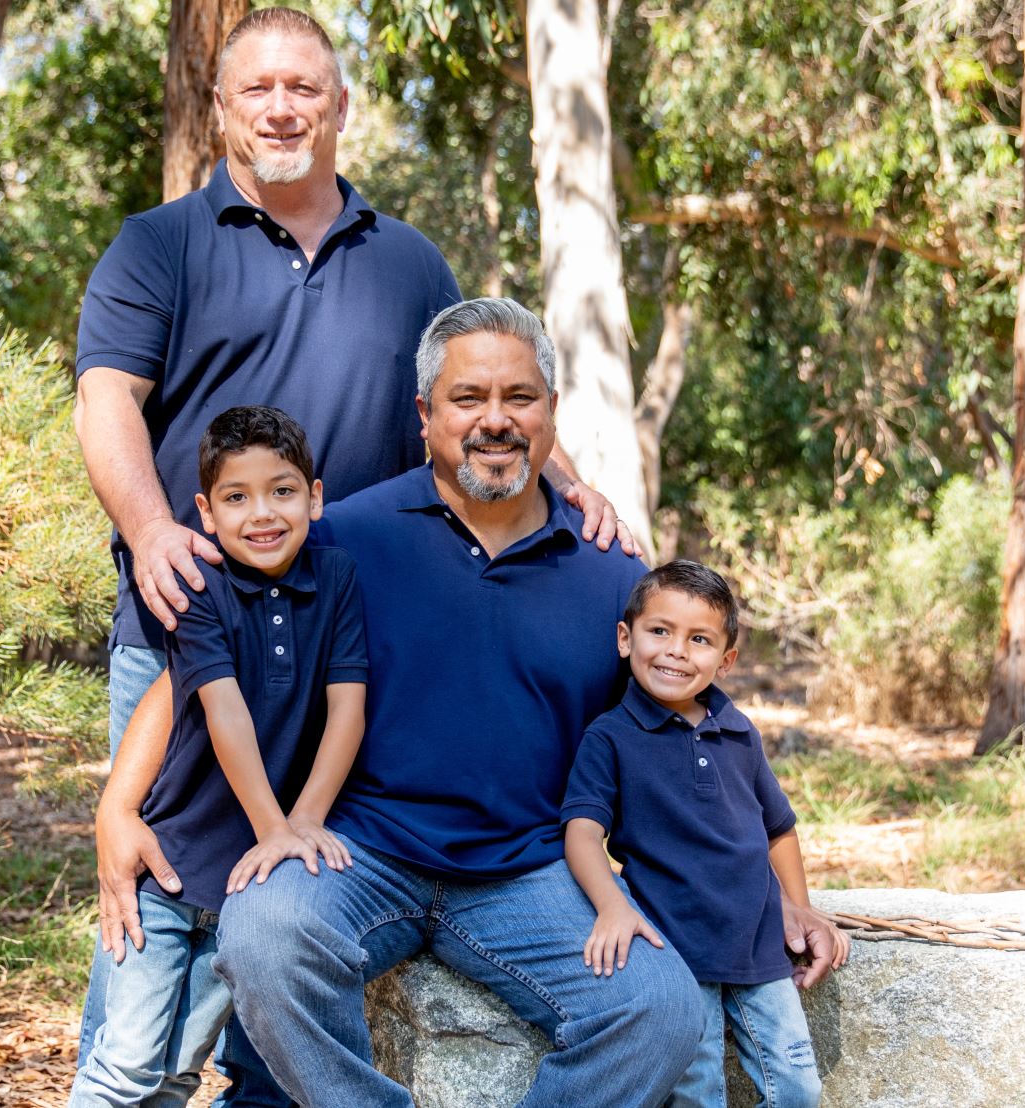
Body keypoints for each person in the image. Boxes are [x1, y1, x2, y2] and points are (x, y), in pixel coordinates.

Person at [89, 297, 839, 1107]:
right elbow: (199, 671)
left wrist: (789, 902)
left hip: (532, 871)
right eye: (468, 399)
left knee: (657, 1010)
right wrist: (117, 807)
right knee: (264, 932)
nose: (496, 421)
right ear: (424, 414)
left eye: (519, 398)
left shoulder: (613, 575)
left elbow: (702, 751)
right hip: (361, 850)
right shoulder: (340, 537)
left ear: (551, 413)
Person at [72, 8, 624, 1086]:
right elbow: (105, 400)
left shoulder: (409, 260)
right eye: (258, 90)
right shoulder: (158, 246)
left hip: (336, 653)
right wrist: (148, 529)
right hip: (188, 631)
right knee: (161, 907)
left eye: (305, 89)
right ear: (219, 106)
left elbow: (472, 396)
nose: (282, 109)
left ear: (339, 107)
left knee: (287, 905)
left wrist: (572, 487)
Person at [71, 407, 368, 1106]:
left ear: (315, 496)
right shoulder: (201, 588)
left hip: (247, 888)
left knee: (177, 1072)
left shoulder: (339, 578)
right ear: (206, 511)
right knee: (127, 1068)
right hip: (172, 871)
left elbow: (347, 707)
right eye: (237, 497)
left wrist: (304, 822)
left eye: (283, 491)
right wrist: (276, 829)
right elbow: (221, 708)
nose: (262, 514)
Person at [562, 560, 849, 1108]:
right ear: (626, 638)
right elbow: (581, 832)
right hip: (676, 950)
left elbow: (778, 829)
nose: (675, 650)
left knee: (797, 1089)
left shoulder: (739, 733)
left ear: (726, 659)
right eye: (659, 631)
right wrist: (611, 907)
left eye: (699, 639)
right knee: (695, 1096)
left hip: (760, 947)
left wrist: (800, 908)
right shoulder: (611, 737)